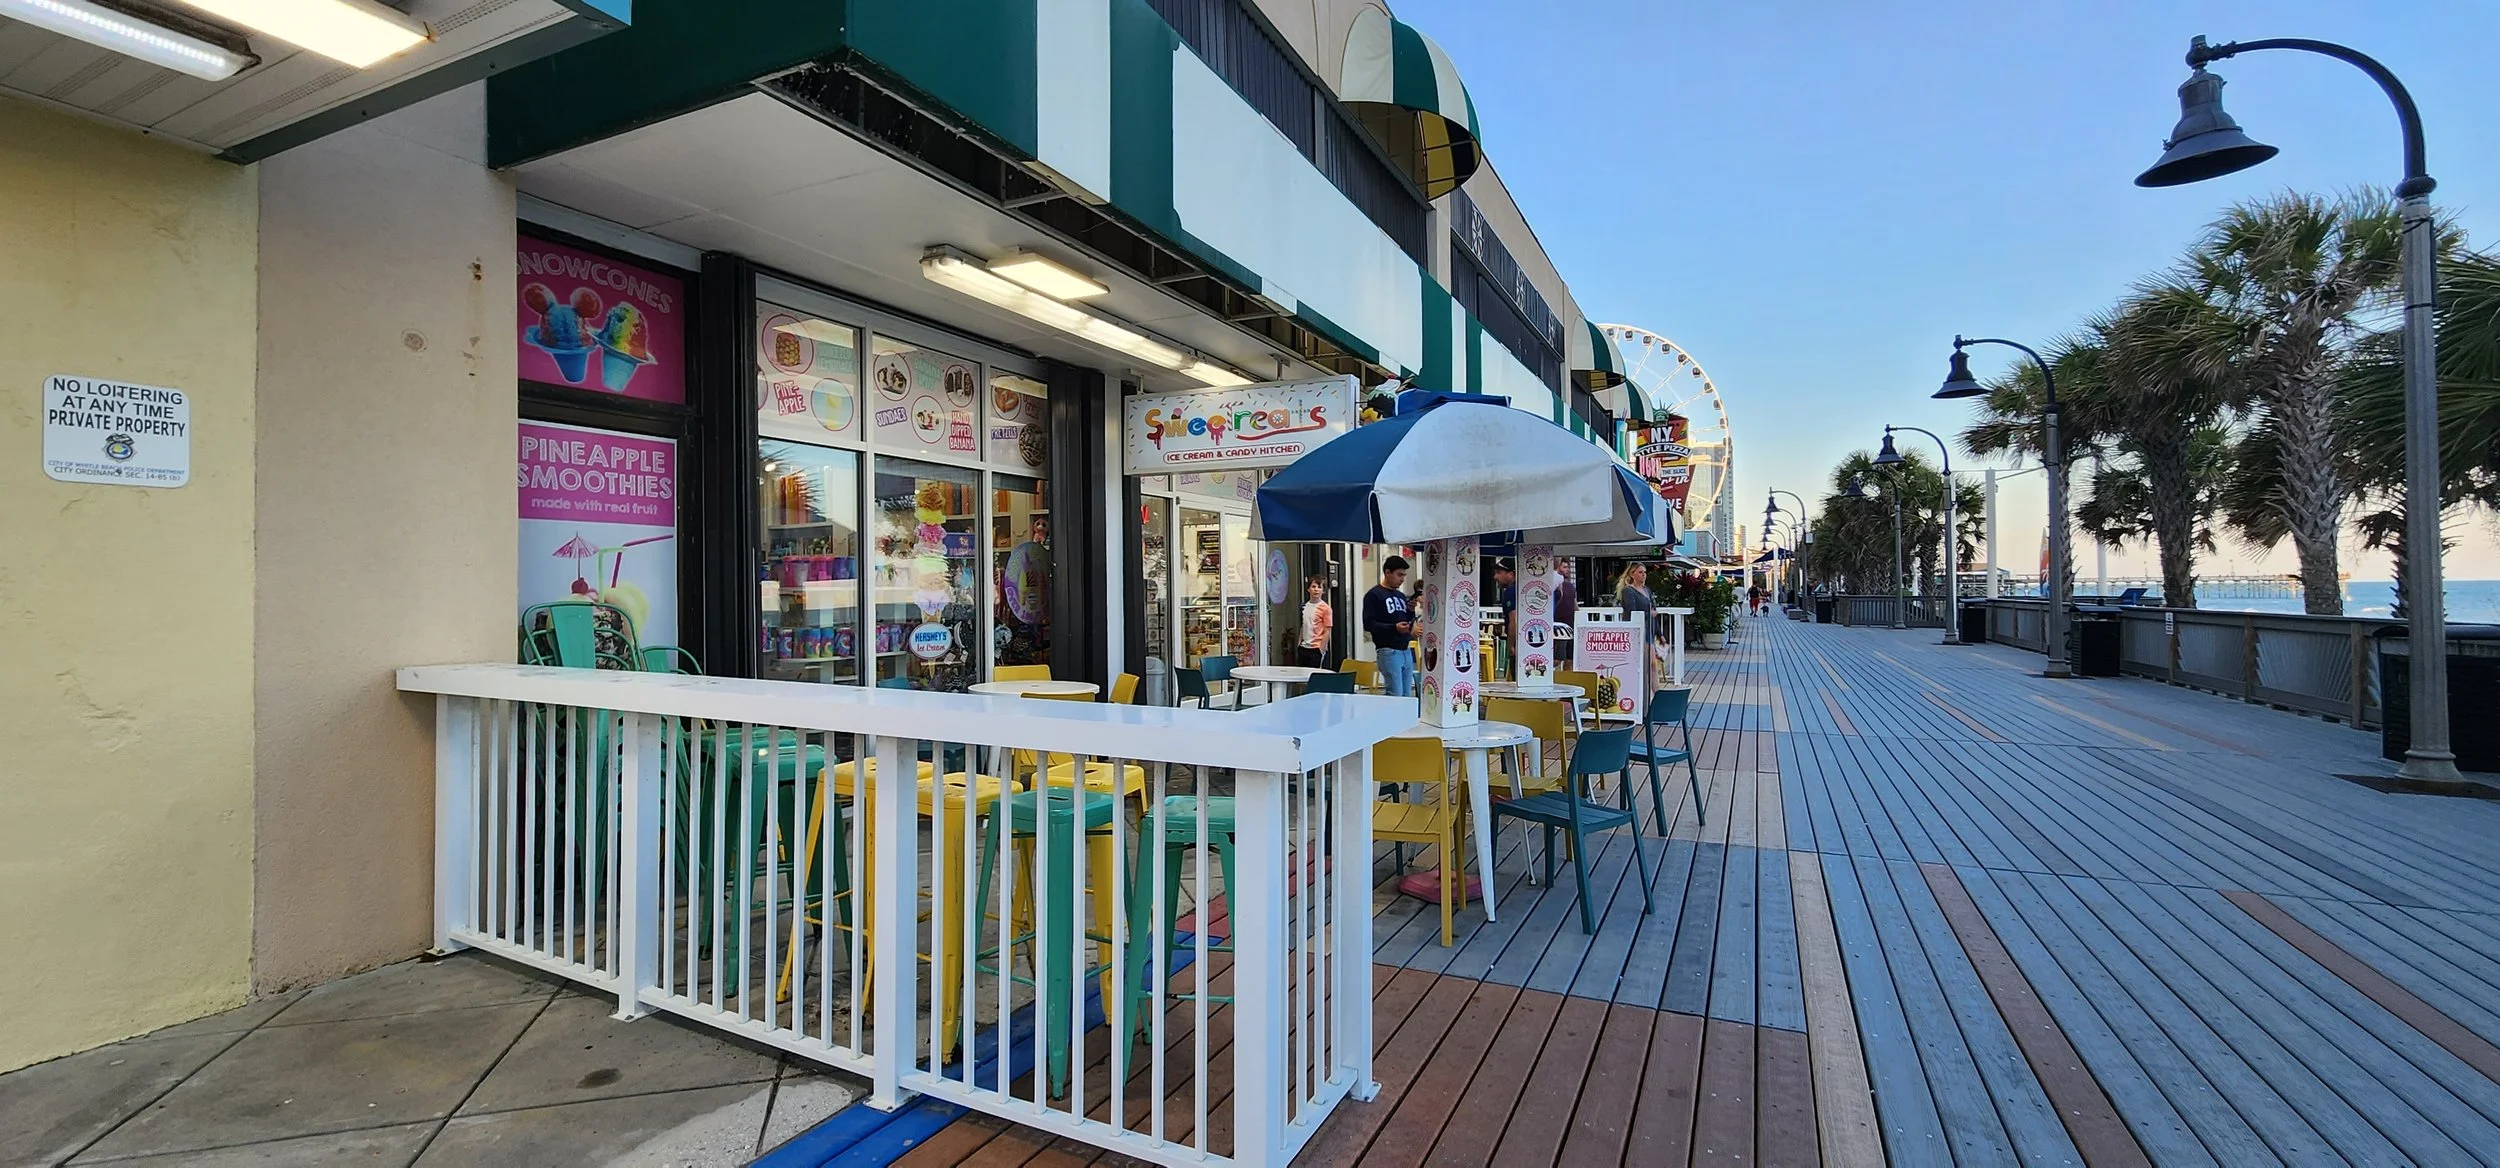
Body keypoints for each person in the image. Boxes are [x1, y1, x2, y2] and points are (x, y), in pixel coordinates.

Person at [1364, 555, 1417, 696]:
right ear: (1387, 573)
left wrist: (1411, 612)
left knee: (1407, 695)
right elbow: (1368, 624)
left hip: (1405, 649)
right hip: (1388, 650)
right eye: (1399, 575)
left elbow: (1405, 620)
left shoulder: (1400, 596)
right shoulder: (1374, 595)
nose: (1402, 579)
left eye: (1404, 575)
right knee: (1396, 694)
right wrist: (1394, 628)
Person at [1297, 575, 1332, 668]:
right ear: (1308, 589)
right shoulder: (1304, 606)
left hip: (1316, 648)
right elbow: (1303, 625)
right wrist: (1299, 643)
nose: (1316, 589)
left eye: (1319, 587)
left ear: (1323, 591)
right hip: (1304, 647)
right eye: (1313, 586)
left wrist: (1322, 648)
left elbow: (1327, 630)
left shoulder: (1325, 608)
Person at [1554, 560, 1579, 666]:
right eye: (1564, 567)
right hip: (1559, 626)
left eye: (1568, 567)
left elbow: (1574, 604)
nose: (1567, 570)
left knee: (1570, 658)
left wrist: (1579, 618)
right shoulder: (1555, 586)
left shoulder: (1570, 586)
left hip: (1570, 625)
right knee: (1557, 659)